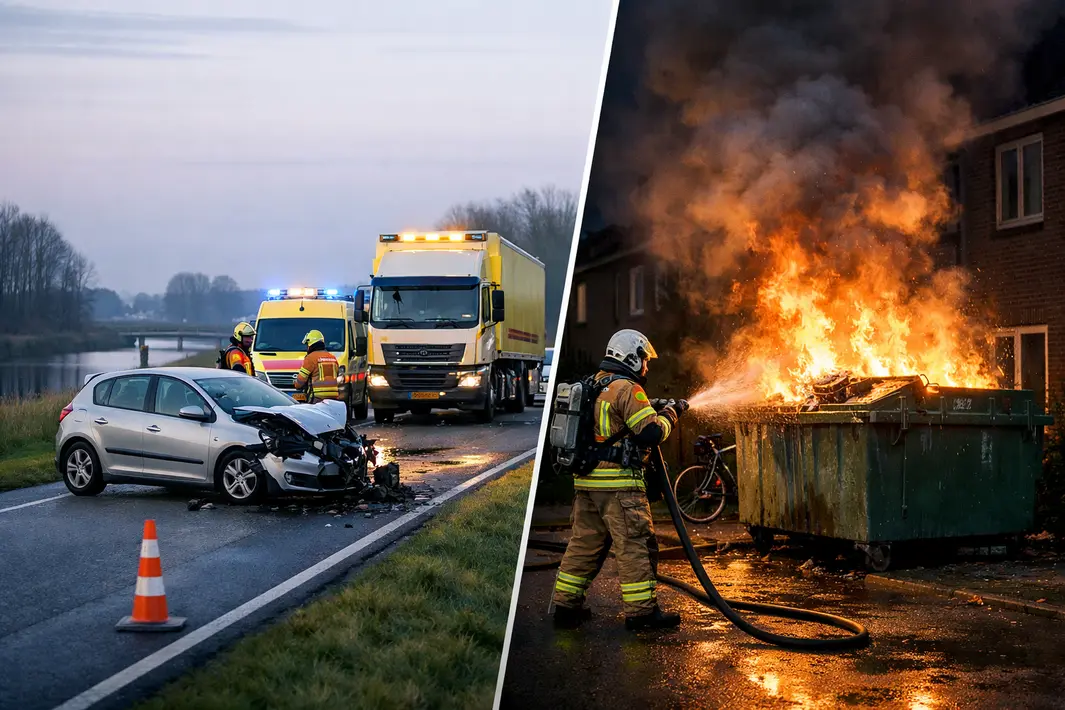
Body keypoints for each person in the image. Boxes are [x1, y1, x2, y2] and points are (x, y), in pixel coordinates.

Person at [552, 328, 689, 631]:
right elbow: (651, 433)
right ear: (632, 356)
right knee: (635, 546)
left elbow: (615, 421)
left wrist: (653, 405)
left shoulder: (596, 384)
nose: (646, 366)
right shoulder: (628, 389)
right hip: (619, 487)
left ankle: (565, 607)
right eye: (644, 359)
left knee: (583, 546)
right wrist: (671, 413)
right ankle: (641, 614)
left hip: (586, 484)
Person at [292, 329, 341, 403]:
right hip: (334, 398)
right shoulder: (332, 357)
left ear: (310, 344)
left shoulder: (310, 358)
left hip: (318, 398)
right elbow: (336, 375)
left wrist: (296, 384)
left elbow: (301, 380)